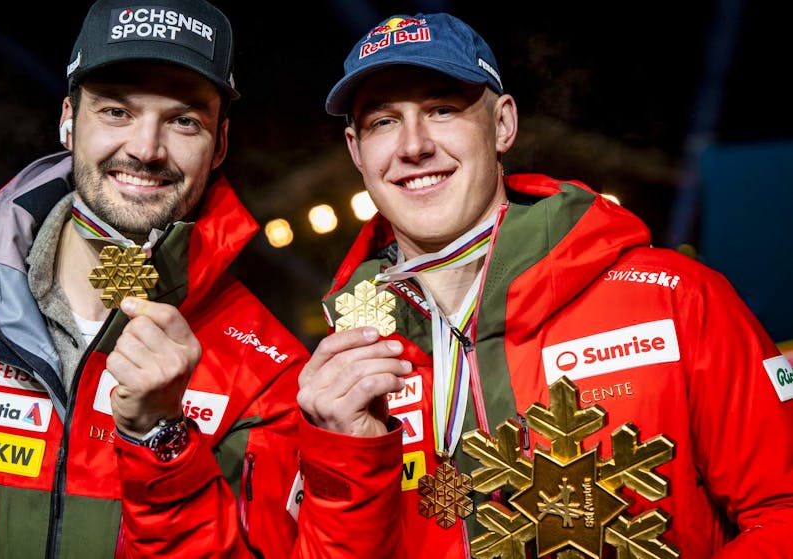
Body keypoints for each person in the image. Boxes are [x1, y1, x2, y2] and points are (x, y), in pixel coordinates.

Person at [0, 0, 310, 557]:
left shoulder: (266, 370)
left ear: (221, 145)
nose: (145, 148)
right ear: (69, 119)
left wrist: (161, 439)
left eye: (184, 120)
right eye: (116, 111)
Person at [295, 11, 793, 558]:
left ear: (503, 124)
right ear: (355, 151)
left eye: (442, 109)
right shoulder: (343, 366)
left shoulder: (674, 299)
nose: (413, 145)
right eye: (382, 122)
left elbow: (783, 513)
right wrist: (340, 453)